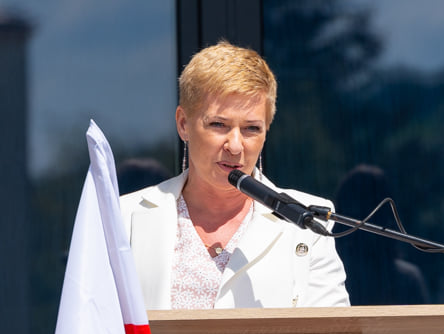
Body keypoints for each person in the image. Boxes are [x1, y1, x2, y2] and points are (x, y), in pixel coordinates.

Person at [119, 40, 349, 310]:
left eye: (251, 128)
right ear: (184, 124)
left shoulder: (305, 222)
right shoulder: (125, 216)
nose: (236, 145)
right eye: (219, 124)